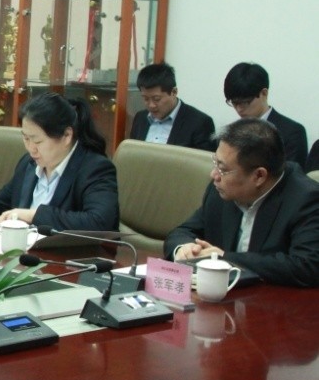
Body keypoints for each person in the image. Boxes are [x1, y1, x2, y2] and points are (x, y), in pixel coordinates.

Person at [166, 118, 319, 287]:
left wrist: (225, 259)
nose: (214, 175)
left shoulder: (306, 199)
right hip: (223, 295)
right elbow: (184, 231)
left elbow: (308, 266)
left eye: (223, 169)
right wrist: (184, 249)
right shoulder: (221, 189)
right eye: (215, 163)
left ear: (259, 176)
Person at [0, 93, 119, 232]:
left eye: (37, 141)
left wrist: (33, 215)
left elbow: (98, 222)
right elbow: (2, 204)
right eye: (25, 138)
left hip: (71, 259)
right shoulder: (29, 164)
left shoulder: (95, 168)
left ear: (67, 135)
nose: (31, 149)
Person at [223, 62, 307, 167]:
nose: (239, 109)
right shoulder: (231, 133)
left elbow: (292, 174)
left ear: (264, 93)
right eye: (234, 103)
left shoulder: (292, 133)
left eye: (245, 102)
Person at [128, 61, 216, 151]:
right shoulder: (140, 118)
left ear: (174, 92)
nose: (151, 105)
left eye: (156, 99)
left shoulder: (200, 123)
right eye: (146, 99)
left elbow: (204, 159)